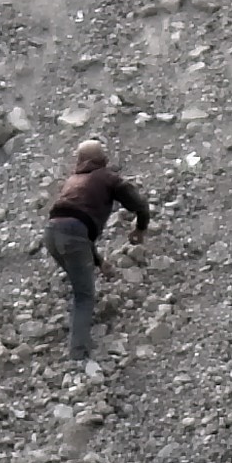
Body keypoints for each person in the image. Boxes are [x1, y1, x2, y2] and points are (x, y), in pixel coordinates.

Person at [43, 142, 156, 361]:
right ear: (102, 158)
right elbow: (140, 204)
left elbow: (74, 225)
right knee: (84, 295)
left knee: (79, 284)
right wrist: (141, 228)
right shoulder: (107, 177)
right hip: (73, 237)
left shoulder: (72, 182)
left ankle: (77, 332)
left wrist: (99, 262)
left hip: (51, 235)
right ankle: (78, 355)